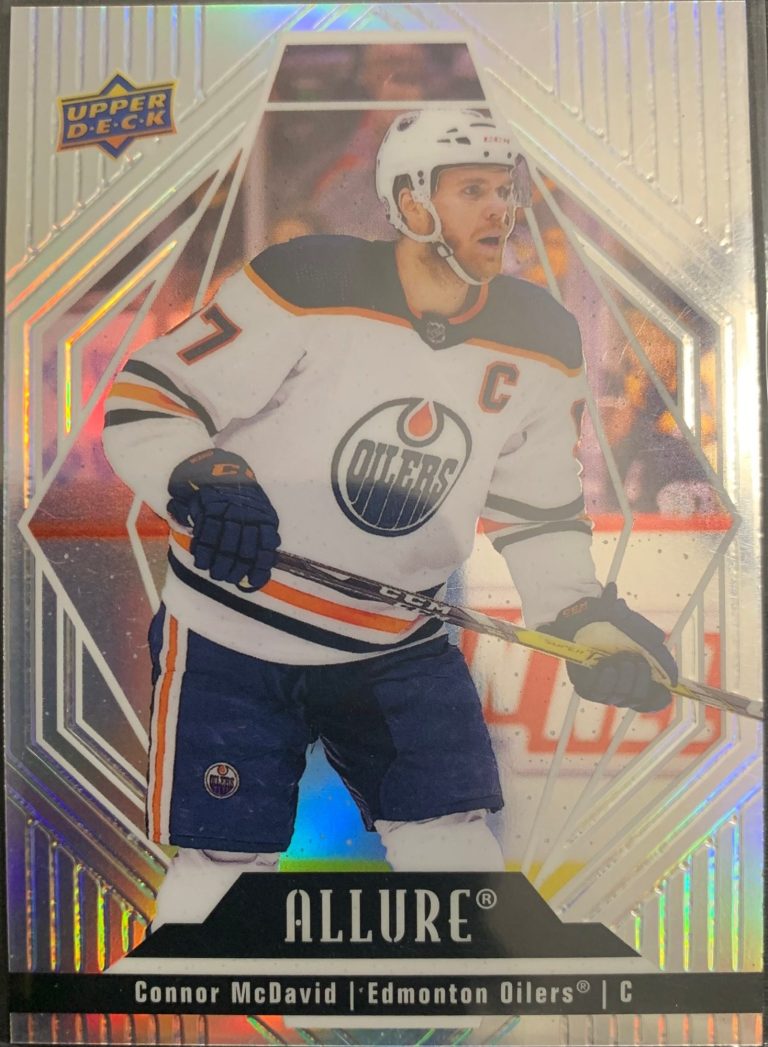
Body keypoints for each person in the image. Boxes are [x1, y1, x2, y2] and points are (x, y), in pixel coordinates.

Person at [103, 109, 678, 929]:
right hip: (232, 632)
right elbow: (150, 394)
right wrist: (201, 472)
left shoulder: (540, 338)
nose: (501, 209)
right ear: (411, 202)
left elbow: (540, 510)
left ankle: (467, 1000)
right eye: (472, 190)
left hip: (395, 639)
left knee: (456, 847)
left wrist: (581, 616)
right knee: (220, 865)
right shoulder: (306, 281)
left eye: (505, 189)